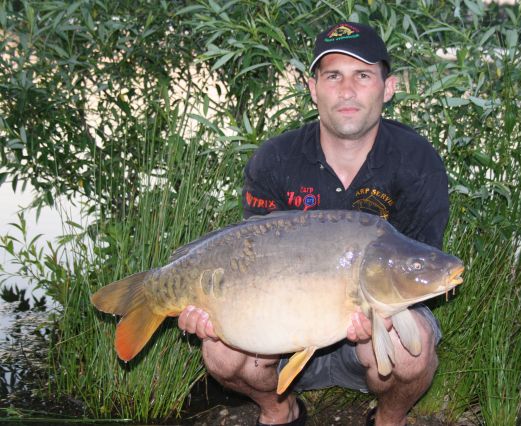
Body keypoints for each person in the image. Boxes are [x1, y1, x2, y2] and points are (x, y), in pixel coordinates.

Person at [178, 21, 449, 426]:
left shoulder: (417, 161)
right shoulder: (274, 160)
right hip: (282, 326)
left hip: (375, 319)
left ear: (387, 87)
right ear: (312, 88)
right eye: (333, 76)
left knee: (409, 349)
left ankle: (389, 419)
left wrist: (377, 315)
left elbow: (416, 262)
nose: (347, 90)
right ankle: (280, 409)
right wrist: (206, 306)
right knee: (219, 350)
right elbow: (247, 255)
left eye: (362, 75)